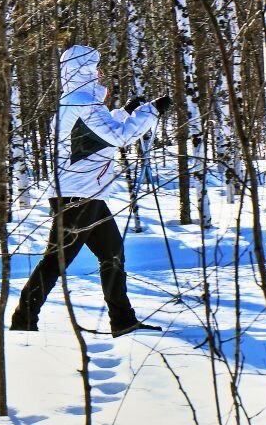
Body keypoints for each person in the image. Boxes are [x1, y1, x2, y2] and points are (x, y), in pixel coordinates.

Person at [10, 44, 172, 337]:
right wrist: (149, 112)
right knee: (55, 262)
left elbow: (96, 137)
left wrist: (126, 111)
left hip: (85, 195)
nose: (99, 73)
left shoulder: (74, 103)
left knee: (113, 255)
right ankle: (23, 320)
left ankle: (122, 320)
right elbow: (118, 138)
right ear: (83, 70)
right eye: (94, 67)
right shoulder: (84, 104)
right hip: (78, 199)